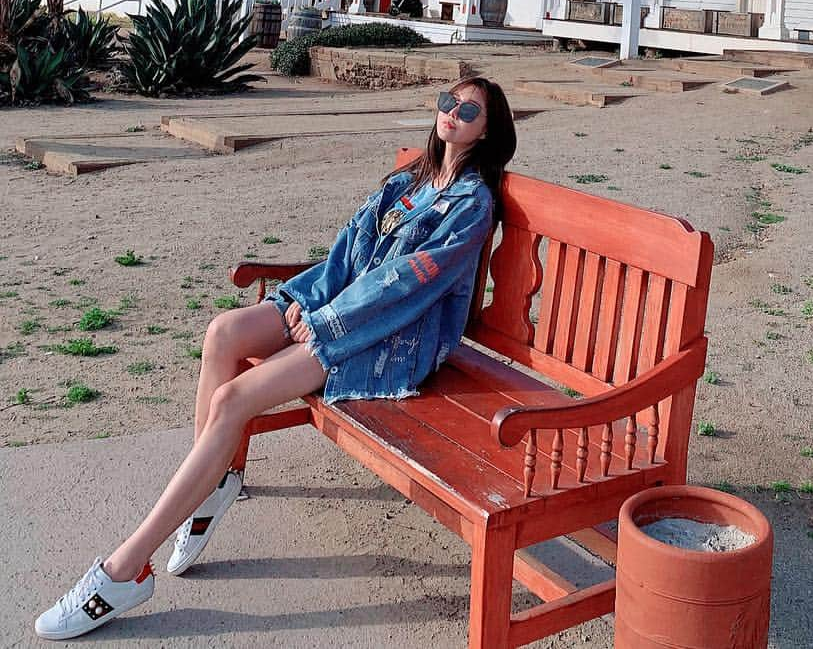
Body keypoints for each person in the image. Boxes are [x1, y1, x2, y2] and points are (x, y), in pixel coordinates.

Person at [35, 76, 516, 641]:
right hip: (338, 313)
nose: (452, 114)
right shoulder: (408, 180)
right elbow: (347, 255)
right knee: (223, 333)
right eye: (447, 101)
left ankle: (125, 570)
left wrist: (325, 321)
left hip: (388, 341)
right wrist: (305, 301)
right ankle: (214, 480)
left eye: (468, 110)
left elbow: (402, 286)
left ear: (487, 130)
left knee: (233, 398)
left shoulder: (471, 205)